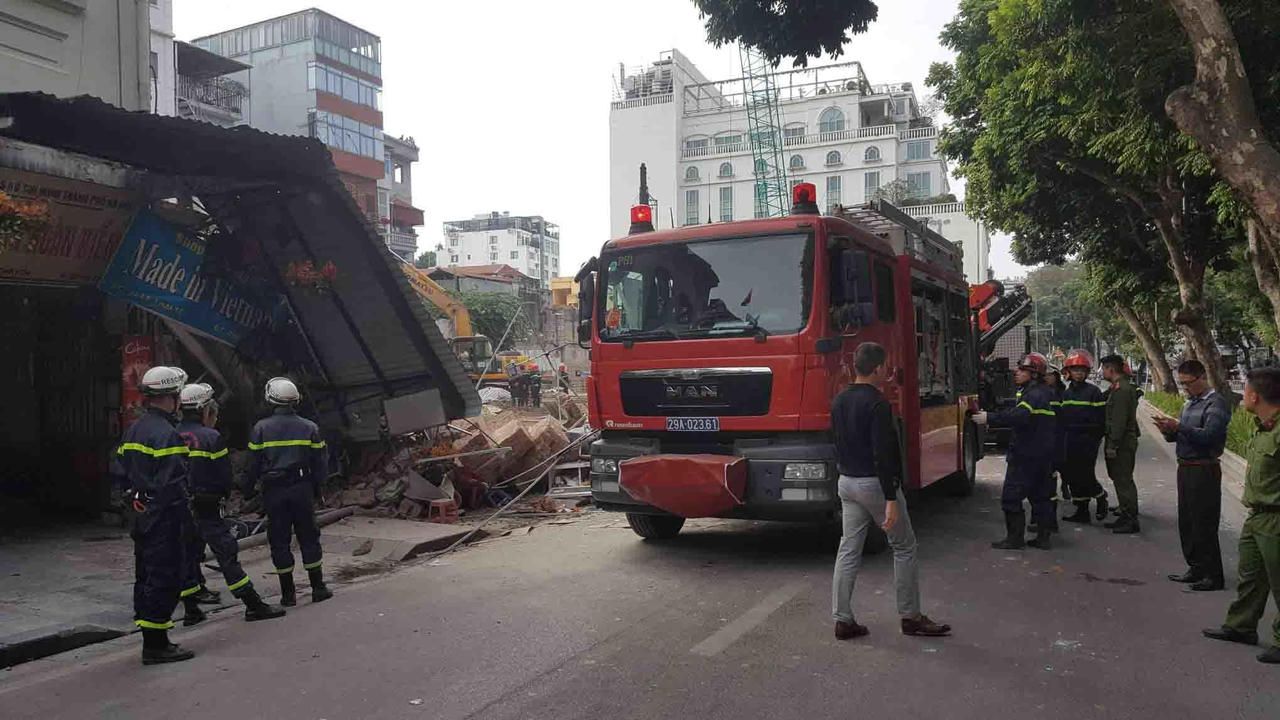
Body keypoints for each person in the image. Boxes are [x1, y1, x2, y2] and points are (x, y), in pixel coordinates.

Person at [830, 342, 951, 639]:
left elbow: (835, 441)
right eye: (885, 366)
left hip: (846, 482)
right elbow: (884, 454)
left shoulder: (839, 400)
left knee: (848, 549)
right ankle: (910, 616)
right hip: (874, 483)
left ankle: (842, 619)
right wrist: (891, 498)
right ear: (878, 368)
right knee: (904, 546)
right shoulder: (879, 404)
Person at [176, 383, 286, 624]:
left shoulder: (170, 434)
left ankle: (191, 611)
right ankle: (252, 604)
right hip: (207, 506)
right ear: (204, 409)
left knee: (187, 556)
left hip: (179, 508)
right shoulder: (210, 437)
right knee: (227, 554)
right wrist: (227, 495)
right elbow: (223, 476)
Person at [117, 365, 196, 665]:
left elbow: (120, 472)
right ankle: (156, 645)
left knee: (146, 575)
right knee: (165, 576)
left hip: (141, 514)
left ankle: (152, 637)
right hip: (164, 517)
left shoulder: (134, 429)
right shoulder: (167, 434)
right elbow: (173, 485)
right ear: (172, 397)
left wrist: (136, 502)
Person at [1203, 367, 1280, 664]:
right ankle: (1241, 626)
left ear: (1255, 395)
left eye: (1244, 390)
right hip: (1256, 515)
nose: (1242, 396)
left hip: (1275, 518)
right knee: (1251, 577)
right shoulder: (1263, 427)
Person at [244, 377, 332, 606]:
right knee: (309, 536)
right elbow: (321, 463)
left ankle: (288, 594)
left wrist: (247, 489)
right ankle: (318, 587)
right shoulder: (310, 427)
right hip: (302, 489)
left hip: (274, 492)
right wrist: (318, 487)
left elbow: (252, 464)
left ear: (270, 399)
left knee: (280, 540)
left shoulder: (260, 429)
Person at [1156, 360, 1230, 591]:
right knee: (1187, 522)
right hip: (1185, 467)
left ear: (1201, 378)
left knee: (1204, 522)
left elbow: (1210, 436)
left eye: (1188, 383)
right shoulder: (1189, 403)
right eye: (1182, 384)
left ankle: (1213, 574)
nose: (1184, 388)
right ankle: (1196, 567)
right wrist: (1169, 431)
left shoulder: (1216, 403)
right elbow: (1183, 436)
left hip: (1204, 468)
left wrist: (1179, 428)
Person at [972, 352, 1057, 550]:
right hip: (1041, 455)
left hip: (1025, 455)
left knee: (1011, 497)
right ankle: (1043, 539)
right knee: (1040, 497)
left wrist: (989, 417)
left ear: (1034, 374)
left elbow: (1019, 416)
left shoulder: (1033, 395)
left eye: (1022, 369)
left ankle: (1015, 538)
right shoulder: (1043, 393)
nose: (1016, 372)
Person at [1058, 350, 1110, 524]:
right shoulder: (1066, 393)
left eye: (1082, 370)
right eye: (1075, 370)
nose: (1079, 373)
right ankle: (1082, 511)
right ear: (1069, 372)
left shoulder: (1094, 392)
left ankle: (1101, 496)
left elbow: (1101, 420)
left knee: (1085, 474)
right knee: (1072, 476)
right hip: (1069, 441)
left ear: (1087, 372)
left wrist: (1094, 438)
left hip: (1087, 441)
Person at [1101, 355, 1142, 534]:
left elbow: (1118, 421)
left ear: (1111, 369)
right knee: (1120, 478)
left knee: (1123, 479)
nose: (1102, 372)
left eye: (1104, 368)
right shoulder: (1119, 388)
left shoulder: (1121, 390)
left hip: (1122, 442)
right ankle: (1126, 514)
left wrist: (1112, 445)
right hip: (1123, 441)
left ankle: (1130, 518)